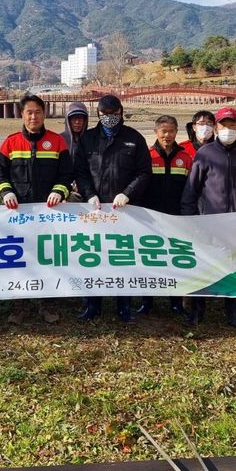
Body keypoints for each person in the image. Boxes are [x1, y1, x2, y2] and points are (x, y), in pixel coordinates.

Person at [0, 94, 74, 324]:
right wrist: (6, 191)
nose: (33, 116)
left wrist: (60, 191)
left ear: (44, 114)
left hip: (49, 214)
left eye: (38, 112)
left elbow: (66, 174)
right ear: (22, 114)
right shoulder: (10, 142)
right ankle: (20, 305)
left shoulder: (57, 142)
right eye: (29, 112)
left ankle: (47, 304)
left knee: (47, 257)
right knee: (19, 259)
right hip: (18, 215)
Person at [74, 94, 153, 322]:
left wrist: (127, 194)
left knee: (123, 259)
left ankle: (123, 305)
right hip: (95, 210)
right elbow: (80, 171)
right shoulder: (88, 139)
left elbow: (144, 172)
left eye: (114, 114)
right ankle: (92, 304)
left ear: (121, 112)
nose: (109, 119)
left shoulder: (134, 138)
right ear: (98, 114)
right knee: (92, 256)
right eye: (104, 115)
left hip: (124, 210)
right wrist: (89, 194)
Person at [180, 106, 236, 328]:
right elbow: (191, 190)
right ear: (216, 127)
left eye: (232, 124)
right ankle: (197, 311)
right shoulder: (205, 154)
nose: (228, 129)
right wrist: (190, 221)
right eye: (223, 125)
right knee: (203, 267)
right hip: (209, 222)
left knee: (234, 268)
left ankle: (232, 313)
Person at [138, 114, 194, 316]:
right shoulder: (147, 156)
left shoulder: (186, 158)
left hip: (176, 217)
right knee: (148, 260)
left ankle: (176, 302)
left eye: (171, 131)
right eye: (163, 131)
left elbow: (191, 189)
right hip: (150, 218)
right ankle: (147, 301)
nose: (167, 135)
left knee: (174, 260)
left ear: (176, 132)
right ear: (155, 132)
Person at [61, 101, 89, 202]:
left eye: (81, 118)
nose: (77, 122)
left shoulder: (92, 140)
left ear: (85, 120)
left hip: (88, 191)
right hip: (64, 191)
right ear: (68, 120)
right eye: (74, 118)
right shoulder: (60, 140)